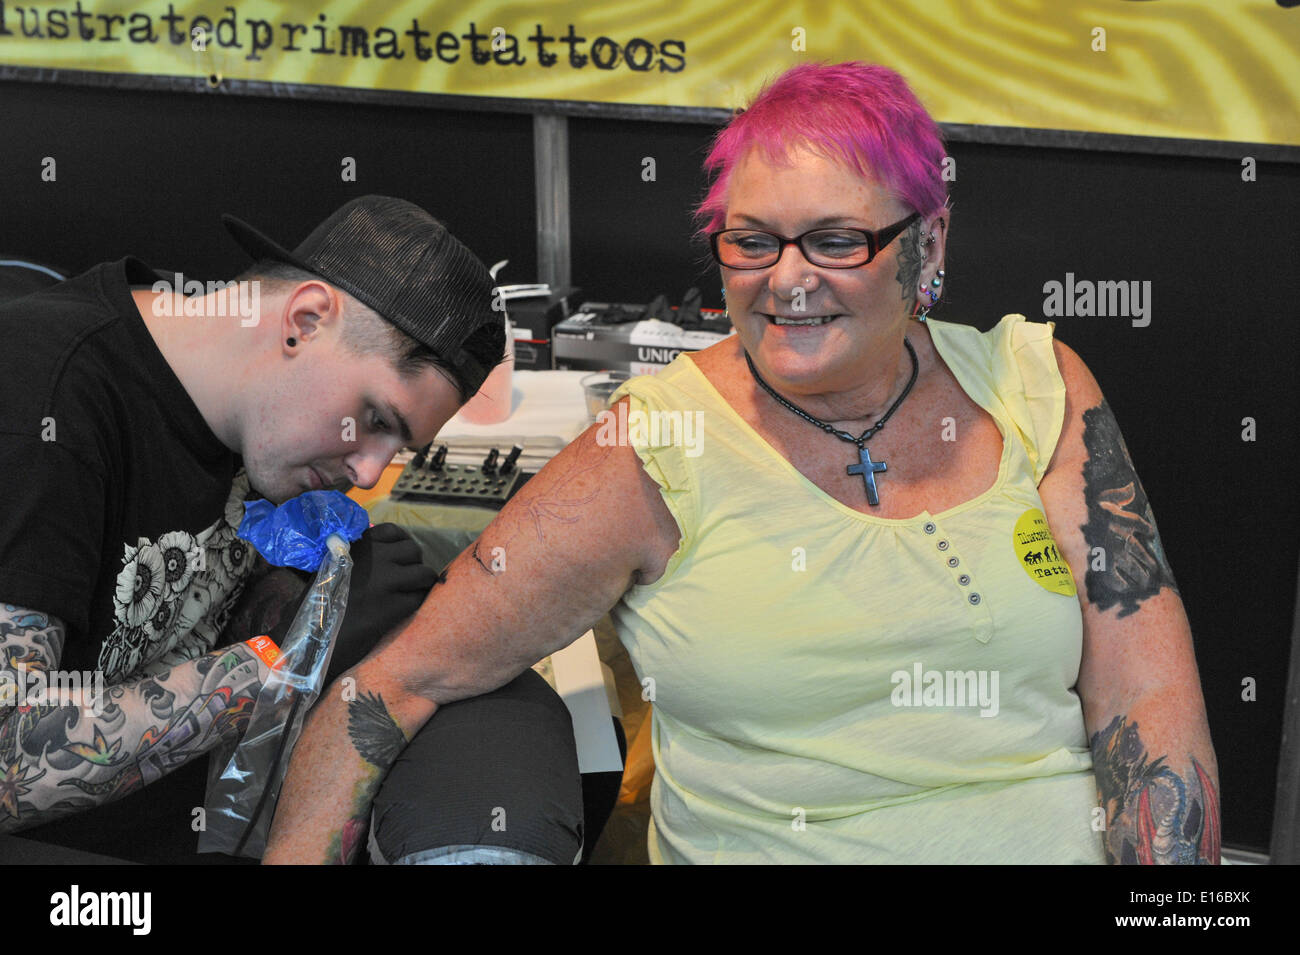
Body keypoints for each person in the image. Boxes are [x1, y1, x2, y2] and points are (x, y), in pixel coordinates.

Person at [266, 65, 1220, 865]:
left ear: (927, 244)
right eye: (752, 241)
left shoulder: (1038, 384)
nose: (788, 278)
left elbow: (1145, 697)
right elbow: (393, 686)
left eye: (837, 239)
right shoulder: (654, 446)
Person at [0, 195, 584, 865]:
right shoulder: (41, 399)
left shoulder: (252, 429)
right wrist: (278, 668)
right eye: (376, 418)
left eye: (397, 446)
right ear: (304, 321)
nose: (368, 470)